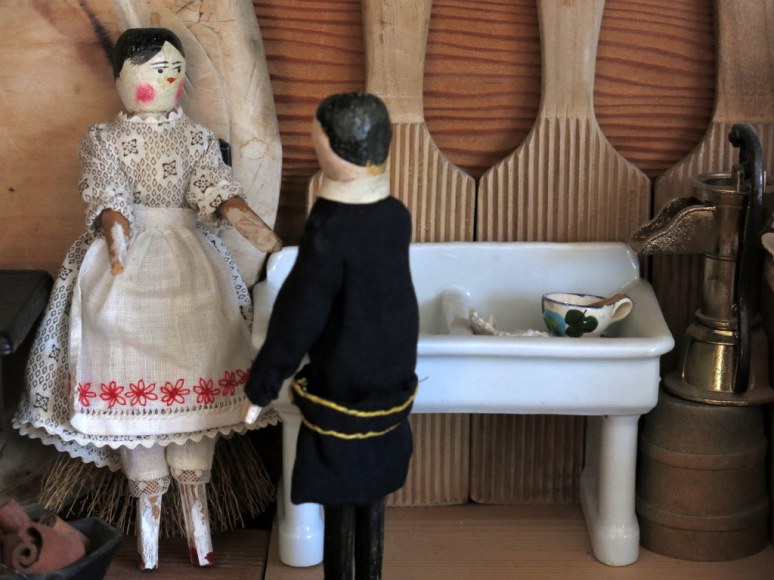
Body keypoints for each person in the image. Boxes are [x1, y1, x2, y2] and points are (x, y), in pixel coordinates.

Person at [14, 27, 281, 570]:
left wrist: (240, 214)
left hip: (192, 267)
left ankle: (200, 535)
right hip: (125, 266)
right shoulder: (104, 139)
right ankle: (150, 540)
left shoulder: (196, 138)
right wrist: (115, 229)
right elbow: (106, 189)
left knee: (198, 405)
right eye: (155, 71)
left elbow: (212, 184)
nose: (167, 81)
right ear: (120, 78)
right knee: (135, 424)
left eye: (174, 72)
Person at [246, 92, 419, 579]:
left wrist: (262, 385)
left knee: (343, 493)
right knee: (373, 492)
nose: (313, 146)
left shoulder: (331, 229)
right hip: (391, 378)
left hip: (344, 384)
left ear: (336, 151)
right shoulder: (395, 214)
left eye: (317, 139)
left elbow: (298, 315)